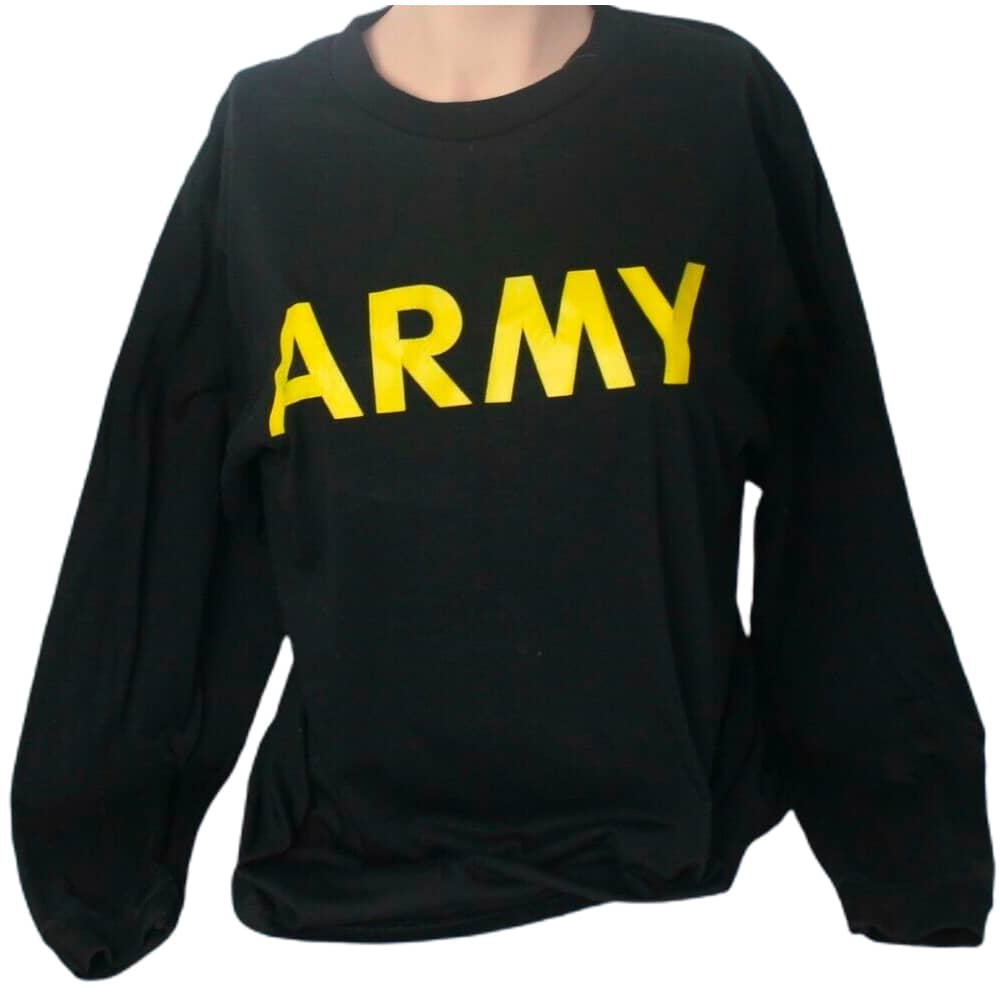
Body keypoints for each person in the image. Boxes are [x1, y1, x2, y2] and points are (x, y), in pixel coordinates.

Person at [11, 3, 994, 981]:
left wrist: (909, 849)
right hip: (348, 875)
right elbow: (167, 505)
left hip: (698, 892)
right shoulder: (267, 138)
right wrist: (101, 860)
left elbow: (837, 494)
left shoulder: (709, 105)